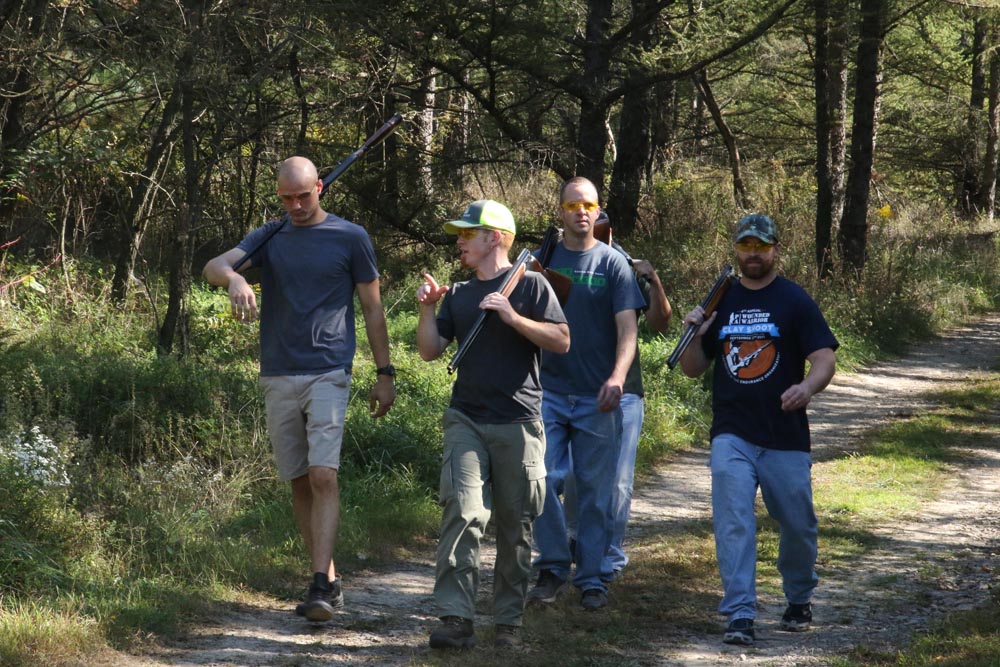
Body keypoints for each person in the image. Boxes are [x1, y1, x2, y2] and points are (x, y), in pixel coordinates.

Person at [202, 156, 395, 623]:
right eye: (286, 198)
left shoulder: (350, 236)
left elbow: (372, 308)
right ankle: (327, 577)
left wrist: (384, 373)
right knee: (299, 480)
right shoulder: (271, 235)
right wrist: (235, 277)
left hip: (328, 369)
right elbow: (213, 266)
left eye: (303, 196)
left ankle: (320, 586)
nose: (295, 206)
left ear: (320, 188)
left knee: (323, 474)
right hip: (278, 371)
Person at [416, 199, 570, 649]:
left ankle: (508, 622)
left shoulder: (533, 284)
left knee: (514, 525)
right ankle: (456, 618)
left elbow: (561, 340)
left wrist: (512, 316)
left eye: (468, 233)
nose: (459, 241)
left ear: (495, 238)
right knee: (463, 513)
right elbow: (429, 351)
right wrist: (427, 309)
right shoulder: (460, 293)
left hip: (519, 422)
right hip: (465, 417)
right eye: (460, 234)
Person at [678, 213, 838, 646]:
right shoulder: (720, 300)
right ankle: (740, 614)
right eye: (746, 245)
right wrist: (694, 333)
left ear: (775, 250)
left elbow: (824, 359)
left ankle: (799, 597)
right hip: (731, 431)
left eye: (761, 246)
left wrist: (806, 388)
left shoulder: (794, 299)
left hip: (785, 433)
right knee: (733, 522)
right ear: (736, 248)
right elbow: (693, 368)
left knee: (798, 524)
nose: (753, 253)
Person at [528, 177, 646, 611]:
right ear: (560, 210)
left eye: (589, 205)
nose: (581, 212)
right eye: (573, 205)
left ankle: (593, 578)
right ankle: (553, 565)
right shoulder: (542, 259)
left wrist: (617, 377)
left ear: (598, 212)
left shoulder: (614, 263)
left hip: (598, 396)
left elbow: (628, 329)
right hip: (549, 390)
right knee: (539, 480)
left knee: (597, 492)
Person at [563, 221, 672, 581]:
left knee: (619, 480)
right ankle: (573, 541)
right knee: (573, 474)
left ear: (610, 232)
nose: (595, 232)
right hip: (572, 388)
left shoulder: (626, 267)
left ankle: (608, 555)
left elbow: (661, 323)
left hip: (625, 391)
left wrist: (653, 279)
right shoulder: (559, 263)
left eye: (602, 227)